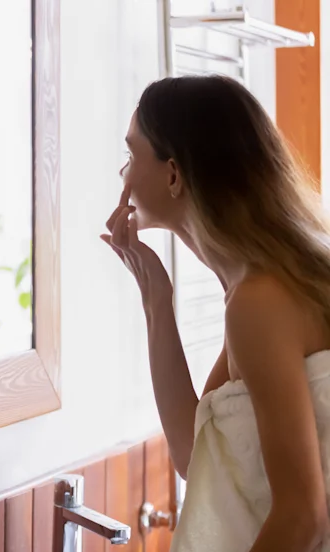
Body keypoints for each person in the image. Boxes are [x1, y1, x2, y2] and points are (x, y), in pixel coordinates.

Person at [102, 75, 330, 551]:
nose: (123, 175)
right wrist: (155, 298)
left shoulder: (259, 301)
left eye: (130, 156)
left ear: (173, 175)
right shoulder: (257, 287)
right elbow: (195, 456)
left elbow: (303, 516)